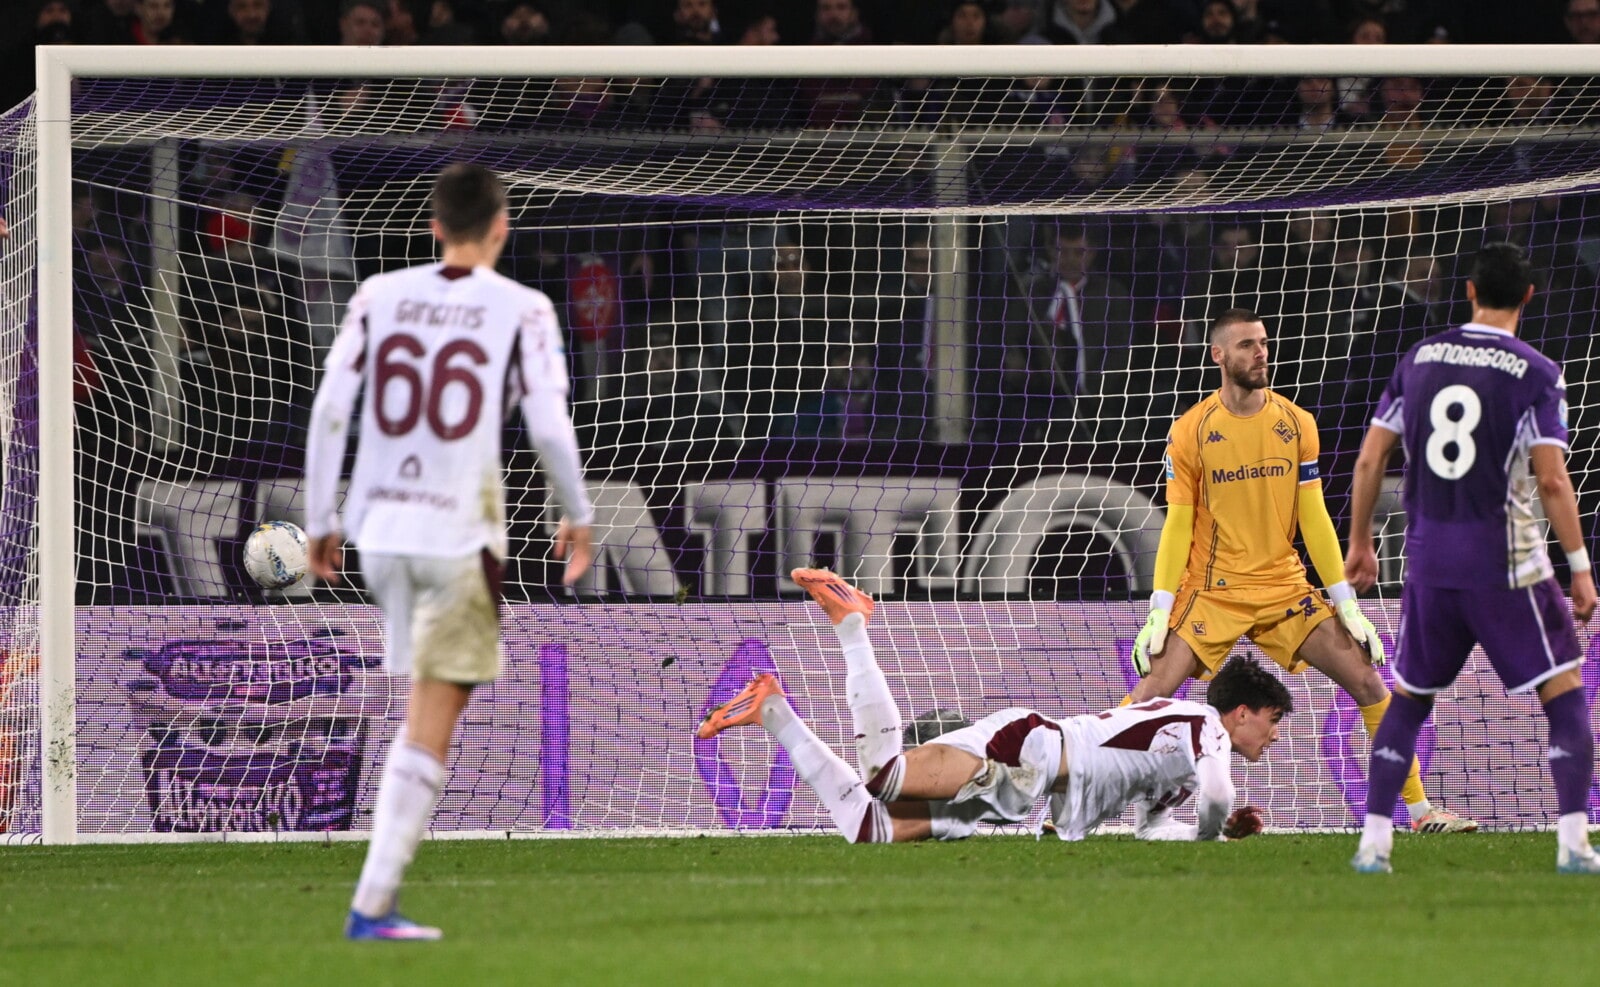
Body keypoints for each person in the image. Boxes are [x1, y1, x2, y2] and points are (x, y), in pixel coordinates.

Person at [305, 163, 595, 939]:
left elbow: (331, 408)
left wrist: (320, 516)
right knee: (434, 716)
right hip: (457, 534)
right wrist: (578, 512)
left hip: (378, 533)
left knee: (422, 705)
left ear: (434, 226)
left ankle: (374, 901)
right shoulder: (524, 307)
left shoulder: (378, 294)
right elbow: (548, 425)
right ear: (501, 226)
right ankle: (372, 906)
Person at [1126, 307, 1477, 834]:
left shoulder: (1295, 423)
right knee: (1150, 692)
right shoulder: (1191, 431)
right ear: (1218, 355)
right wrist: (1160, 609)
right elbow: (1177, 524)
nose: (1260, 353)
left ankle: (1421, 812)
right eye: (1246, 345)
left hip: (1284, 588)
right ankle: (1073, 803)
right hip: (1214, 590)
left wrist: (1347, 604)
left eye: (1263, 343)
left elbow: (1313, 517)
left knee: (1367, 678)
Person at [698, 569, 1291, 843]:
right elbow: (1219, 796)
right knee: (884, 776)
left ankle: (773, 712)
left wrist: (1211, 836)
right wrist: (1216, 830)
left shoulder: (1184, 764)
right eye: (1272, 721)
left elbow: (1153, 828)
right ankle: (852, 624)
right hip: (1026, 748)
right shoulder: (1205, 727)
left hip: (1024, 788)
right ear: (1242, 712)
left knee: (869, 828)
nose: (1273, 735)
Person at [1346, 243, 1599, 874]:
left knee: (1409, 699)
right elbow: (1552, 480)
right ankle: (1573, 844)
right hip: (1504, 563)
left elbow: (1371, 458)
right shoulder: (1537, 372)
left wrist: (1360, 542)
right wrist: (1580, 566)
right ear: (1529, 297)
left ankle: (1374, 842)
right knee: (1564, 690)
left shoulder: (1420, 359)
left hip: (1429, 563)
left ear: (1469, 291)